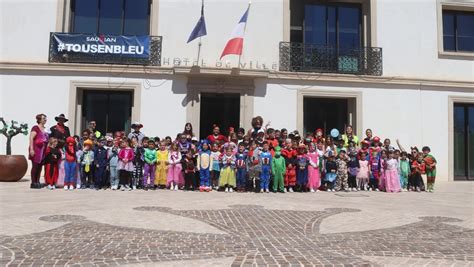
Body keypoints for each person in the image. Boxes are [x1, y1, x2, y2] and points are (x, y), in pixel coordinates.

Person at [29, 113, 48, 189]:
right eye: (44, 118)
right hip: (36, 149)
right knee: (35, 166)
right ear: (39, 119)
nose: (45, 120)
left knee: (40, 167)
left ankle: (37, 181)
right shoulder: (35, 128)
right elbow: (31, 138)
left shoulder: (45, 129)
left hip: (43, 150)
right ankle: (33, 182)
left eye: (45, 118)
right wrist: (31, 149)